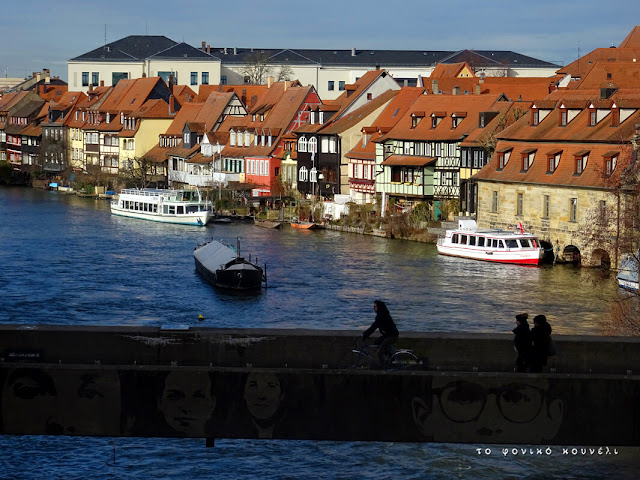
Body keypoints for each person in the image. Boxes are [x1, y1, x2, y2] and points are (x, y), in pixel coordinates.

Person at [362, 300, 399, 367]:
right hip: (388, 335)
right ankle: (390, 357)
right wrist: (366, 333)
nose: (374, 308)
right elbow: (374, 326)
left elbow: (374, 327)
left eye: (375, 306)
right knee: (377, 342)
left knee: (379, 353)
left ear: (379, 307)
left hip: (391, 336)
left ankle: (383, 367)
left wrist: (365, 334)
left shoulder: (381, 315)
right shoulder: (382, 314)